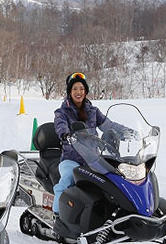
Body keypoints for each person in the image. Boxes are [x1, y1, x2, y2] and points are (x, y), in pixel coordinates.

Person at [51, 72, 131, 216]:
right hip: (71, 159)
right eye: (75, 88)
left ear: (85, 91)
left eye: (81, 89)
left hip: (92, 159)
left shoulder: (93, 111)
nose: (78, 92)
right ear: (70, 91)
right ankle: (58, 216)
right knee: (68, 179)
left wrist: (125, 132)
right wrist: (65, 134)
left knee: (111, 180)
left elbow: (108, 125)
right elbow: (60, 124)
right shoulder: (62, 112)